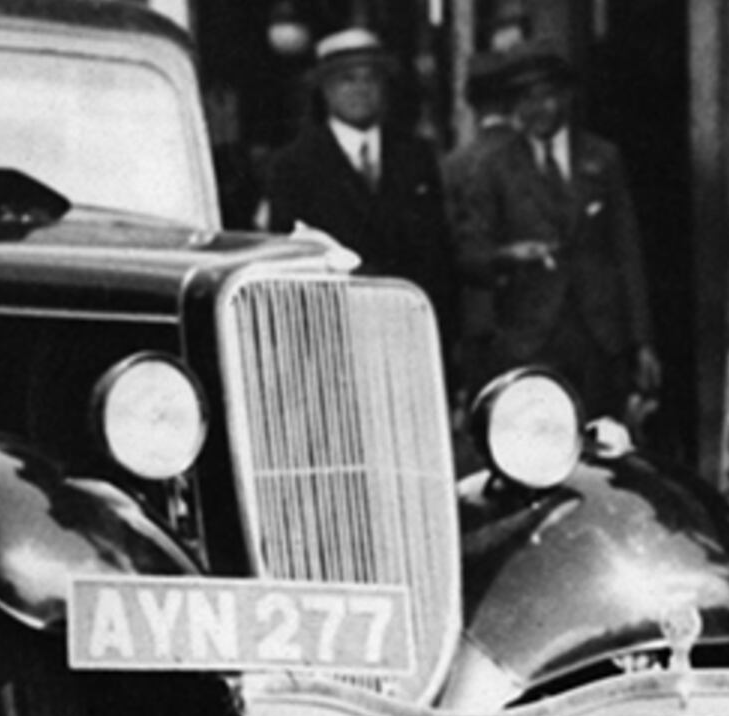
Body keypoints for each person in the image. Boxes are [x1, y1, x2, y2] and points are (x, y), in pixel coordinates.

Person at [444, 41, 658, 424]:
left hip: (600, 338)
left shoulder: (602, 159)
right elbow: (469, 253)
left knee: (603, 449)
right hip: (529, 341)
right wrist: (508, 255)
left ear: (567, 97)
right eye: (523, 99)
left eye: (546, 97)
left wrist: (642, 341)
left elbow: (628, 251)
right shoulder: (494, 167)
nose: (535, 109)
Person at [258, 26, 458, 308]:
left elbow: (439, 252)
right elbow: (289, 262)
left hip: (410, 319)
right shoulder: (294, 165)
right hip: (334, 323)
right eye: (347, 80)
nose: (360, 90)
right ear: (326, 89)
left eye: (371, 79)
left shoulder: (415, 155)